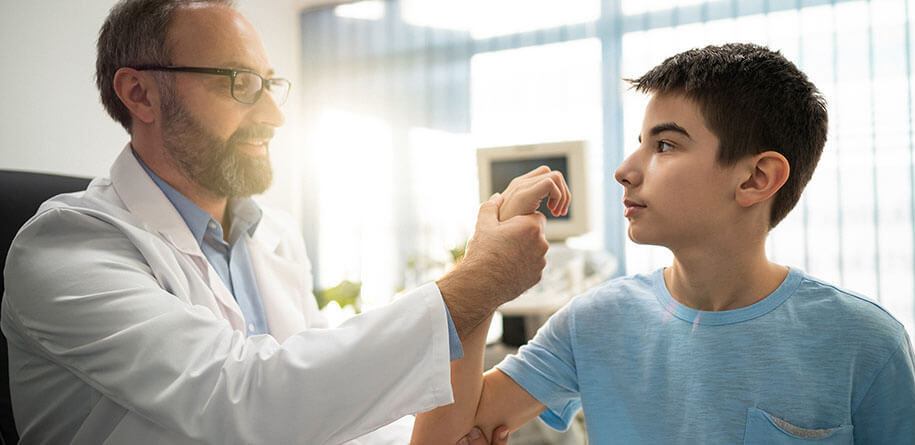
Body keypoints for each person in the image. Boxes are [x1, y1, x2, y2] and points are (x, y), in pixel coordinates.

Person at [0, 0, 566, 443]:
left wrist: (431, 431)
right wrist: (475, 282)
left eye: (269, 84)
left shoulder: (273, 235)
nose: (273, 115)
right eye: (239, 83)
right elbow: (242, 401)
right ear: (140, 93)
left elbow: (323, 407)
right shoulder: (66, 248)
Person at [412, 43, 915, 444]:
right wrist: (482, 277)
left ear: (756, 178)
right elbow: (446, 437)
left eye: (664, 145)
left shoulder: (865, 344)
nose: (625, 171)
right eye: (641, 143)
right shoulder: (592, 322)